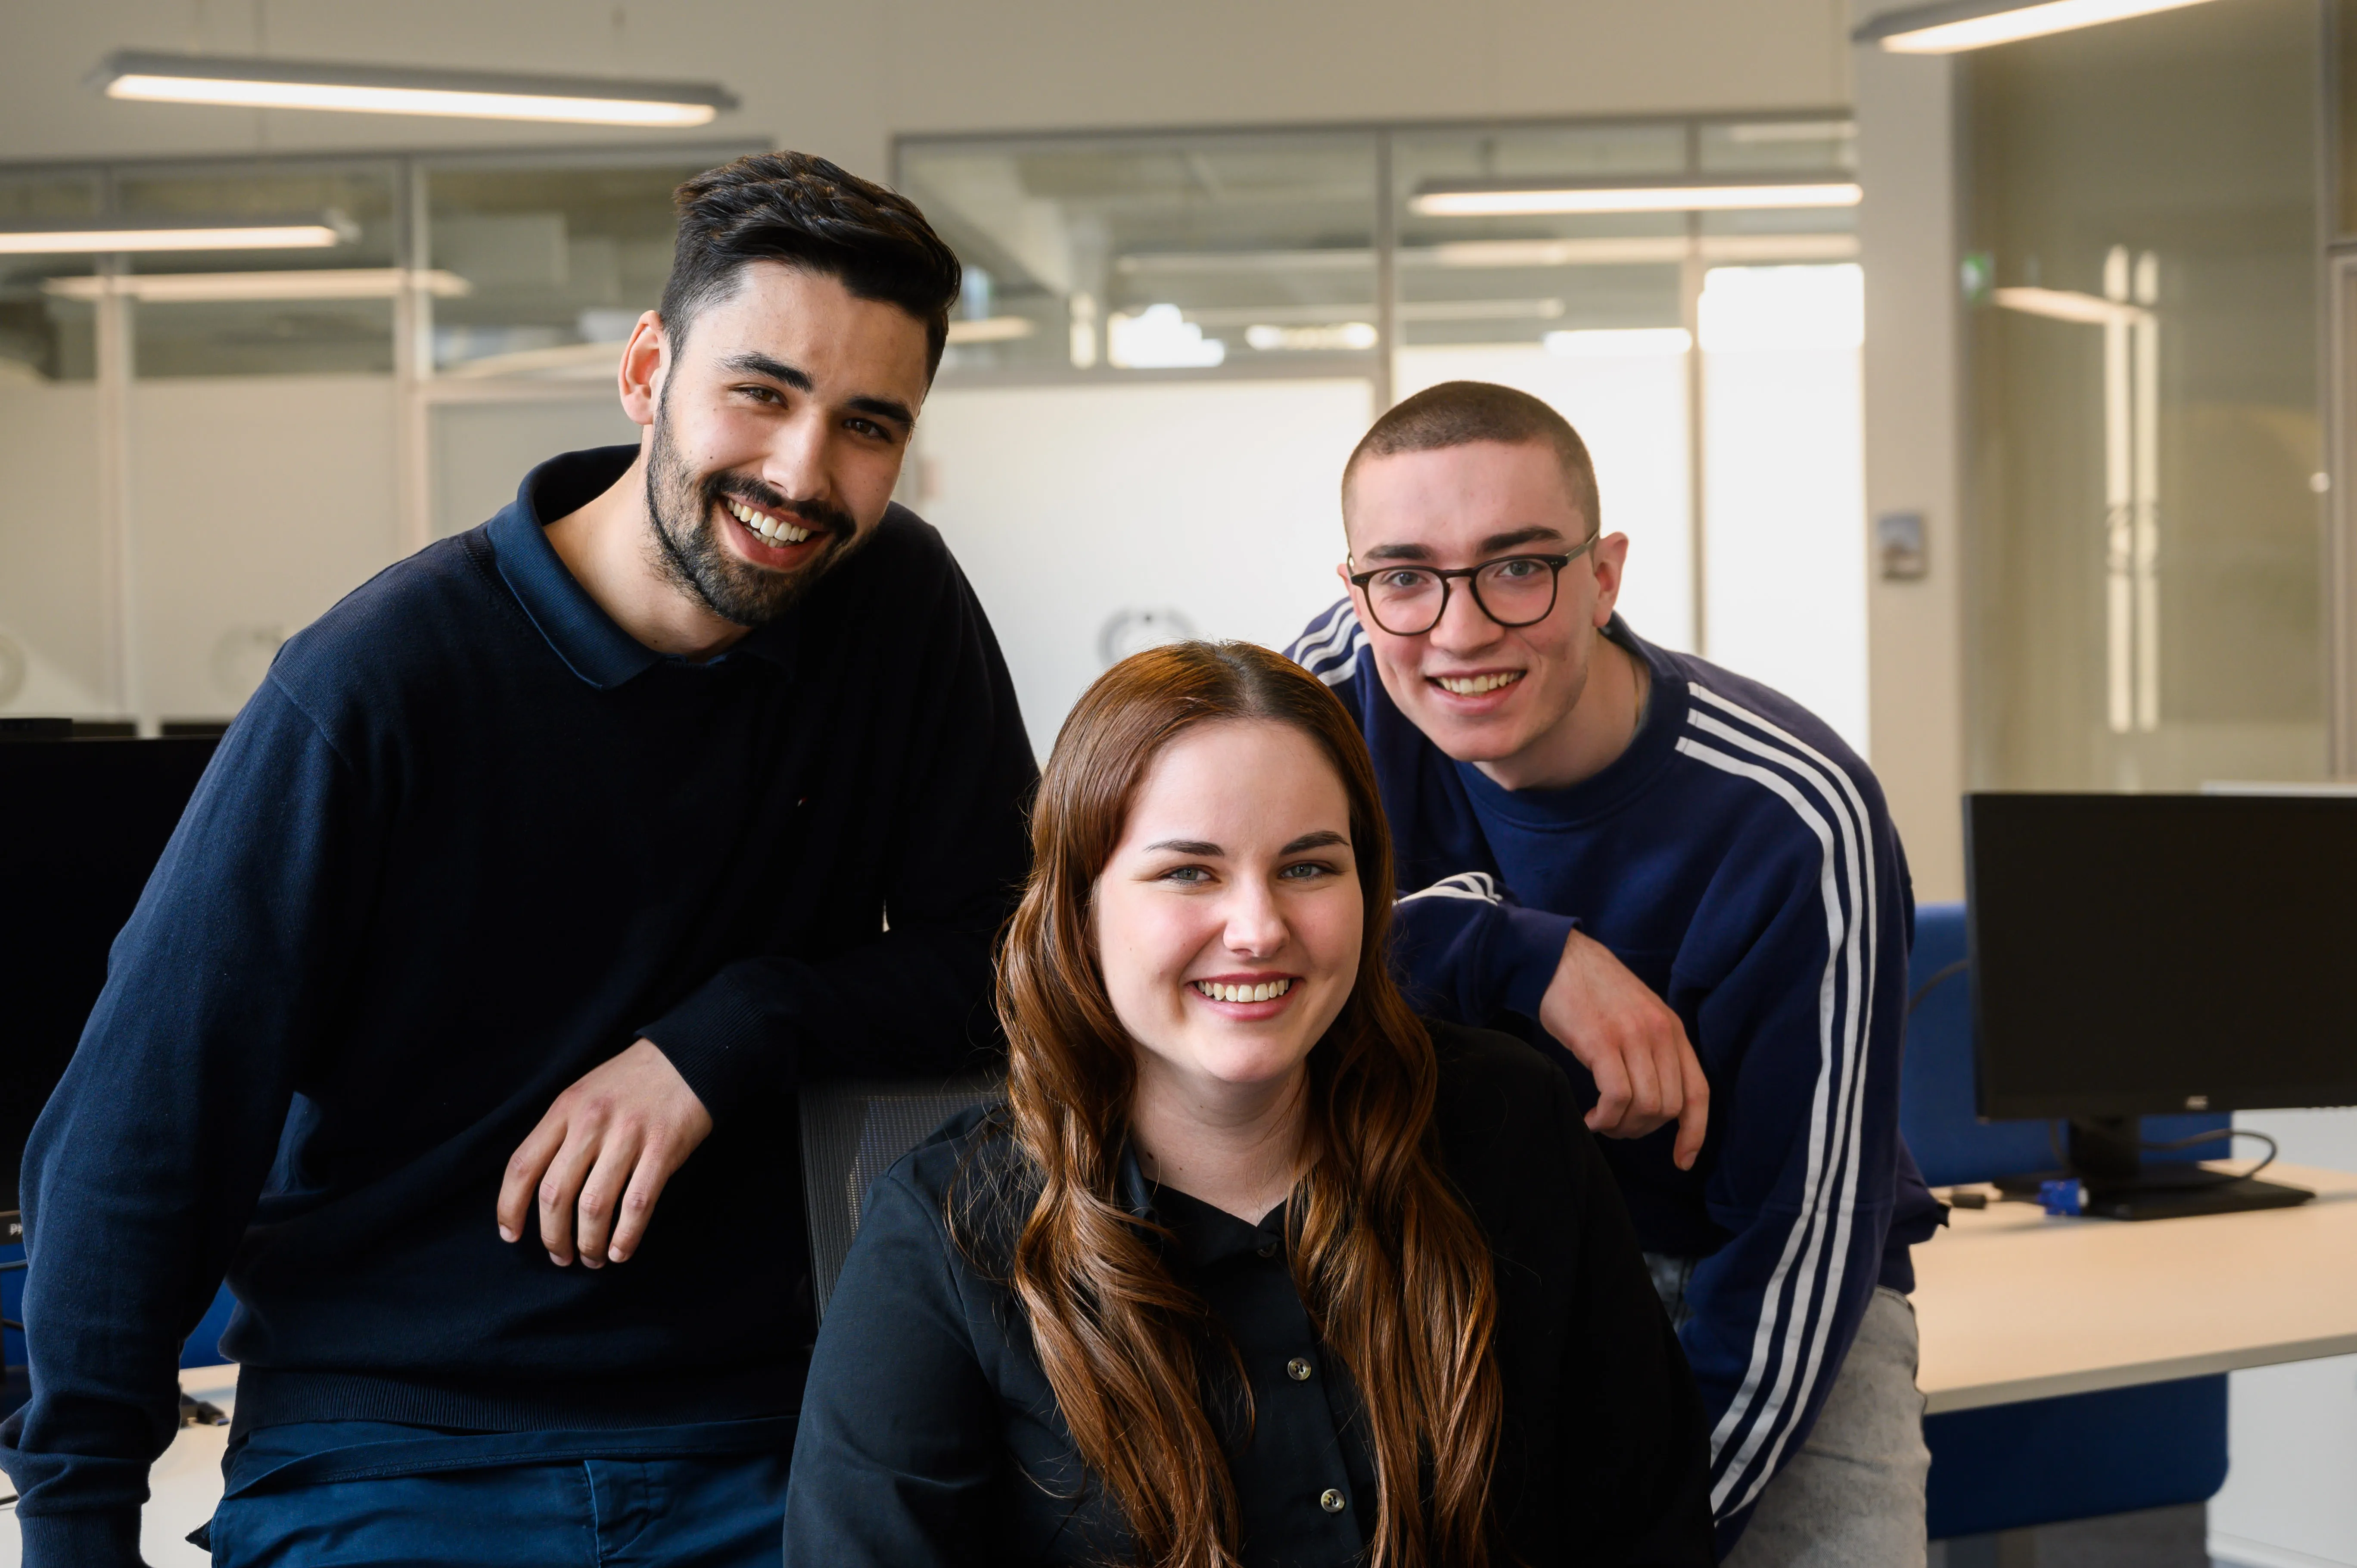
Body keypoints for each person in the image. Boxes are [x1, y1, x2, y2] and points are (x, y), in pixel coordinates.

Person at [0, 151, 1036, 1567]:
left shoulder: (895, 609)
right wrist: (73, 1524)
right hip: (393, 1452)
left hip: (766, 1438)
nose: (805, 473)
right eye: (762, 393)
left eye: (868, 424)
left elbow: (1013, 960)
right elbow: (152, 1118)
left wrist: (731, 1031)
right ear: (646, 369)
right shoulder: (378, 683)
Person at [782, 639, 1715, 1568]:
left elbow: (1649, 1528)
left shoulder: (1512, 1126)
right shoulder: (943, 1236)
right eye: (1190, 871)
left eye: (1309, 867)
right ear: (1079, 908)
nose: (1260, 928)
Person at [1287, 381, 1946, 1564]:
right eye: (1404, 576)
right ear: (1358, 588)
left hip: (1737, 1279)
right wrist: (1514, 950)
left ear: (1605, 575)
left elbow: (1797, 1245)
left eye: (1519, 566)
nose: (1460, 629)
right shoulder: (1331, 695)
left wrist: (1667, 1531)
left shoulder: (1795, 813)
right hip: (1445, 1259)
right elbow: (1190, 938)